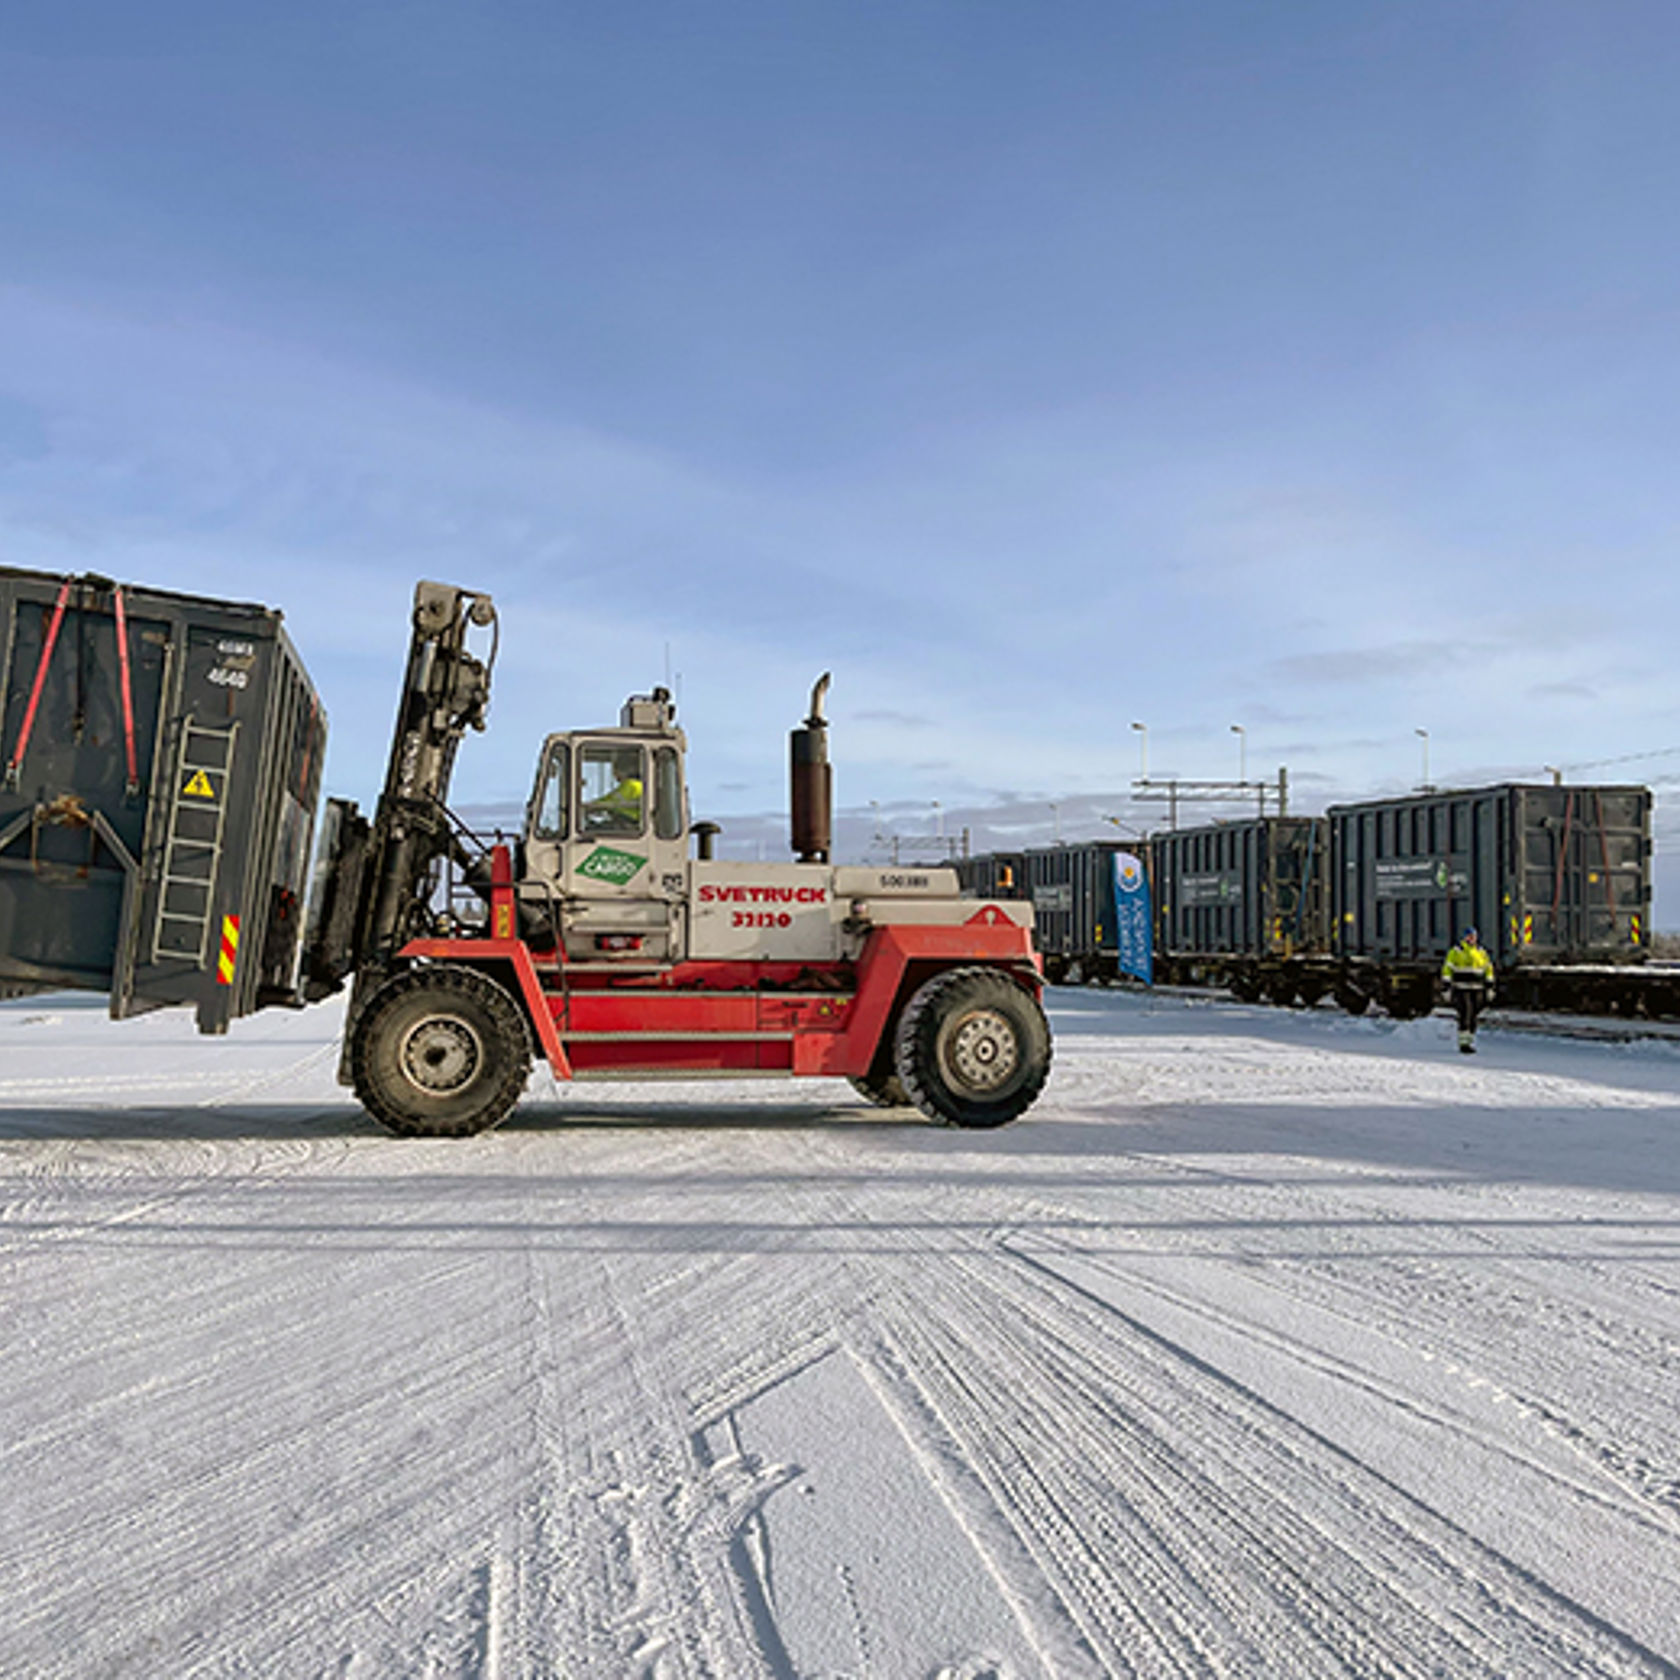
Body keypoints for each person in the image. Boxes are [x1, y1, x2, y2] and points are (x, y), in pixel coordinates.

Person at [1441, 927, 1495, 1053]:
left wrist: (1490, 987)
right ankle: (1463, 1044)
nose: (1471, 938)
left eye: (1473, 936)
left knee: (1473, 1015)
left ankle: (1469, 1040)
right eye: (1469, 936)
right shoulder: (1457, 951)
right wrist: (1446, 987)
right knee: (1466, 1012)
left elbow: (1488, 969)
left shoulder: (1481, 952)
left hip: (1477, 988)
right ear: (1464, 938)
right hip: (1461, 988)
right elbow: (1447, 969)